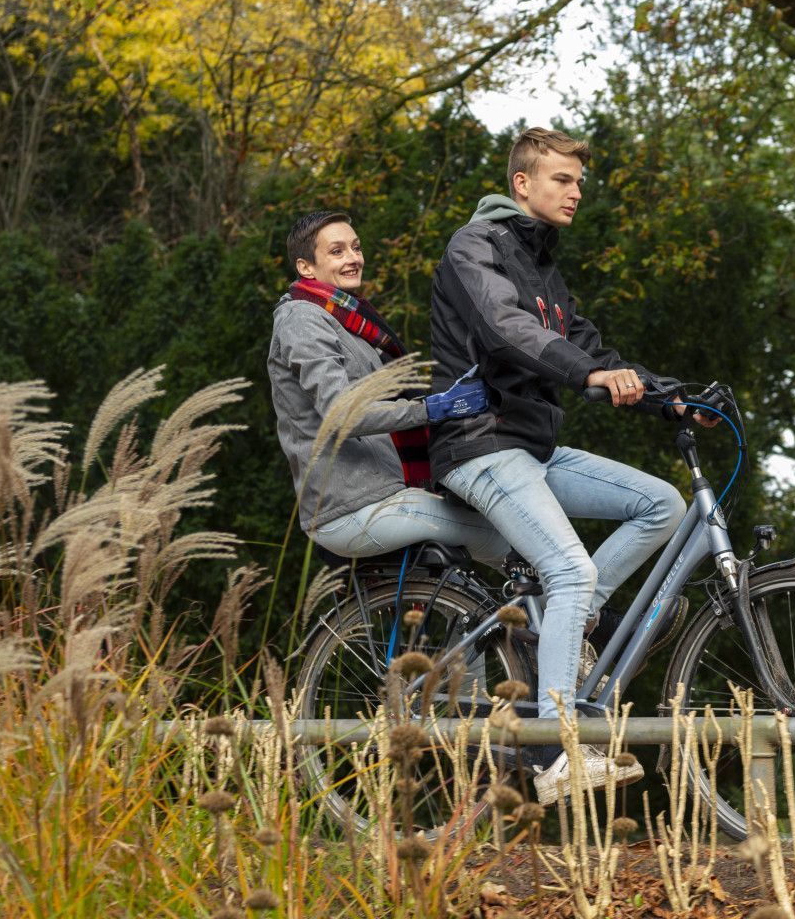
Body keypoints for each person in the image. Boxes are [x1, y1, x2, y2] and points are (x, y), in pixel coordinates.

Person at [429, 127, 708, 803]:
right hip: (479, 443)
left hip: (530, 448)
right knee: (570, 568)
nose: (576, 191)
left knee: (661, 505)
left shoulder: (542, 267)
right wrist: (588, 374)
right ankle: (555, 757)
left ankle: (571, 626)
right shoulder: (476, 246)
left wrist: (673, 400)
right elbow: (508, 330)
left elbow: (592, 350)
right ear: (522, 183)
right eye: (562, 179)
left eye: (580, 181)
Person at [268, 210, 507, 566]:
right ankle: (583, 619)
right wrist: (432, 408)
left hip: (382, 493)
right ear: (306, 267)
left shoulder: (346, 321)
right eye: (337, 251)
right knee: (508, 535)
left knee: (499, 527)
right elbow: (343, 415)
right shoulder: (302, 318)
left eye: (356, 247)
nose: (353, 259)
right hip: (353, 506)